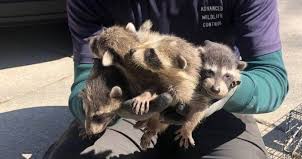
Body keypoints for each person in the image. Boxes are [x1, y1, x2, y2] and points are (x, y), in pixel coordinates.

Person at [43, 0, 289, 158]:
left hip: (213, 106)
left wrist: (226, 92)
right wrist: (91, 106)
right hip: (127, 108)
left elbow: (271, 77)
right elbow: (86, 76)